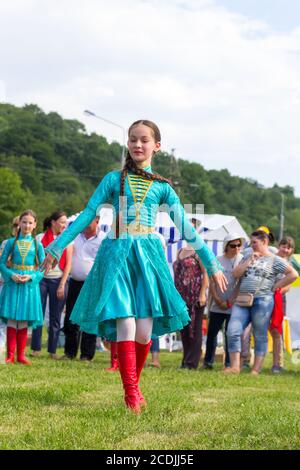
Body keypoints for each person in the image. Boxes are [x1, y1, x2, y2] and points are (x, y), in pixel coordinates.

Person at [41, 119, 227, 413]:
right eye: (132, 139)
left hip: (148, 259)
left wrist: (212, 263)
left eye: (143, 140)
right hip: (117, 256)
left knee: (144, 331)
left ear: (157, 146)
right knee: (125, 322)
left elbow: (187, 231)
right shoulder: (112, 180)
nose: (137, 145)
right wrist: (57, 244)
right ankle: (131, 396)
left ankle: (134, 387)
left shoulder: (163, 188)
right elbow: (87, 213)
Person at [226, 230, 297, 375]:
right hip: (243, 299)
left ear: (264, 242)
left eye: (254, 242)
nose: (251, 245)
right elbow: (235, 274)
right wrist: (249, 261)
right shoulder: (247, 255)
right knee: (232, 330)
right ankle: (234, 367)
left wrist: (276, 286)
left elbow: (293, 274)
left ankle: (256, 369)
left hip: (263, 301)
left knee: (260, 334)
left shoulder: (275, 260)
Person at [0, 210, 45, 365]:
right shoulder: (10, 243)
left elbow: (43, 268)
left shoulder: (37, 244)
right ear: (19, 223)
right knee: (12, 318)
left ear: (35, 225)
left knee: (24, 320)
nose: (27, 225)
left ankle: (21, 355)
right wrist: (10, 274)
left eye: (30, 223)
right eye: (24, 222)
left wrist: (31, 276)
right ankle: (10, 355)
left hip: (29, 285)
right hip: (13, 282)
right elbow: (1, 263)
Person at [61, 216, 106, 361]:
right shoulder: (75, 236)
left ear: (97, 221)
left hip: (92, 284)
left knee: (90, 319)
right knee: (71, 318)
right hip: (75, 282)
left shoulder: (103, 239)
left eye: (89, 220)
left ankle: (86, 354)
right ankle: (69, 352)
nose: (86, 223)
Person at [30, 211, 72, 359]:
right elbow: (34, 261)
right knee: (38, 314)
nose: (64, 225)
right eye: (62, 222)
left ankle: (52, 350)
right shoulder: (40, 238)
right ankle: (35, 348)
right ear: (53, 222)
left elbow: (68, 265)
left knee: (55, 317)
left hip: (58, 280)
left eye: (66, 222)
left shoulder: (67, 239)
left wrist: (62, 284)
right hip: (41, 280)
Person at [203, 233, 244, 370]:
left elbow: (240, 283)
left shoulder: (242, 260)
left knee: (230, 334)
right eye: (233, 245)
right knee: (212, 334)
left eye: (239, 245)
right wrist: (217, 299)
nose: (236, 248)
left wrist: (231, 300)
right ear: (226, 246)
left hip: (233, 304)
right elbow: (212, 281)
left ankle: (228, 364)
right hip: (217, 304)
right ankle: (208, 361)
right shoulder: (217, 260)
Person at [174, 241, 209, 370]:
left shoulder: (199, 251)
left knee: (195, 329)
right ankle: (185, 359)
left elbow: (206, 273)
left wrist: (202, 294)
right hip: (181, 297)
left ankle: (192, 362)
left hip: (195, 295)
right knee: (184, 329)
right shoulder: (179, 251)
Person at [270, 236, 296, 373]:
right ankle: (247, 360)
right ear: (279, 246)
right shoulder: (270, 258)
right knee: (259, 329)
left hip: (279, 300)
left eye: (289, 247)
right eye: (283, 246)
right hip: (264, 298)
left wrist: (277, 290)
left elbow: (289, 286)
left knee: (276, 331)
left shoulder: (290, 266)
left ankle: (277, 363)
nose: (285, 249)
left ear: (292, 251)